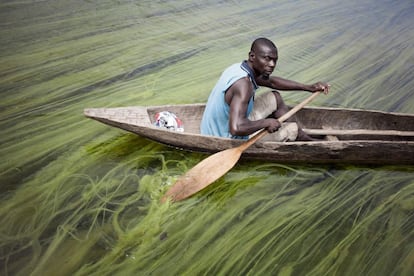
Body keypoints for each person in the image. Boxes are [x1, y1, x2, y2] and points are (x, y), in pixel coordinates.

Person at [200, 37, 330, 141]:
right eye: (267, 59)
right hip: (225, 135)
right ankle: (303, 138)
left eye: (274, 60)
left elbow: (272, 82)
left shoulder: (240, 68)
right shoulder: (243, 84)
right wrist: (266, 122)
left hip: (222, 124)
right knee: (292, 129)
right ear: (252, 56)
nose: (272, 65)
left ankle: (303, 137)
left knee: (275, 97)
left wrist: (308, 87)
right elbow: (236, 128)